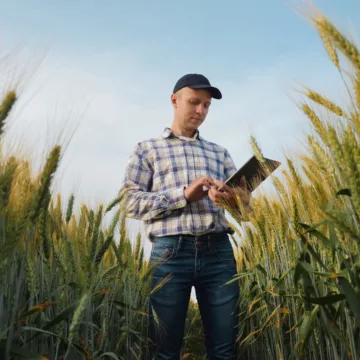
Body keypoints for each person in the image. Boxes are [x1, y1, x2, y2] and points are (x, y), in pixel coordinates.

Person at [119, 73, 251, 360]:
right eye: (194, 103)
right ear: (174, 100)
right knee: (164, 349)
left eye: (206, 106)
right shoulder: (147, 149)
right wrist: (184, 195)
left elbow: (247, 212)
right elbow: (128, 202)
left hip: (218, 252)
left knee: (225, 349)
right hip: (170, 253)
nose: (200, 111)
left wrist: (232, 201)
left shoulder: (220, 153)